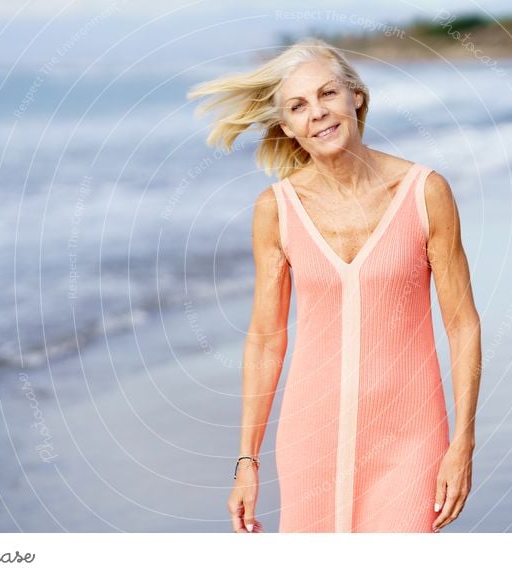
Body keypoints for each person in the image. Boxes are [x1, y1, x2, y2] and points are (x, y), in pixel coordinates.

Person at [187, 37, 481, 533]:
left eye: (328, 94)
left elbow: (462, 323)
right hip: (311, 441)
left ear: (356, 97)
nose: (318, 114)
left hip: (411, 439)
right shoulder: (276, 209)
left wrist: (463, 444)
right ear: (287, 127)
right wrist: (246, 461)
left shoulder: (424, 192)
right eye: (299, 106)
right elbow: (265, 339)